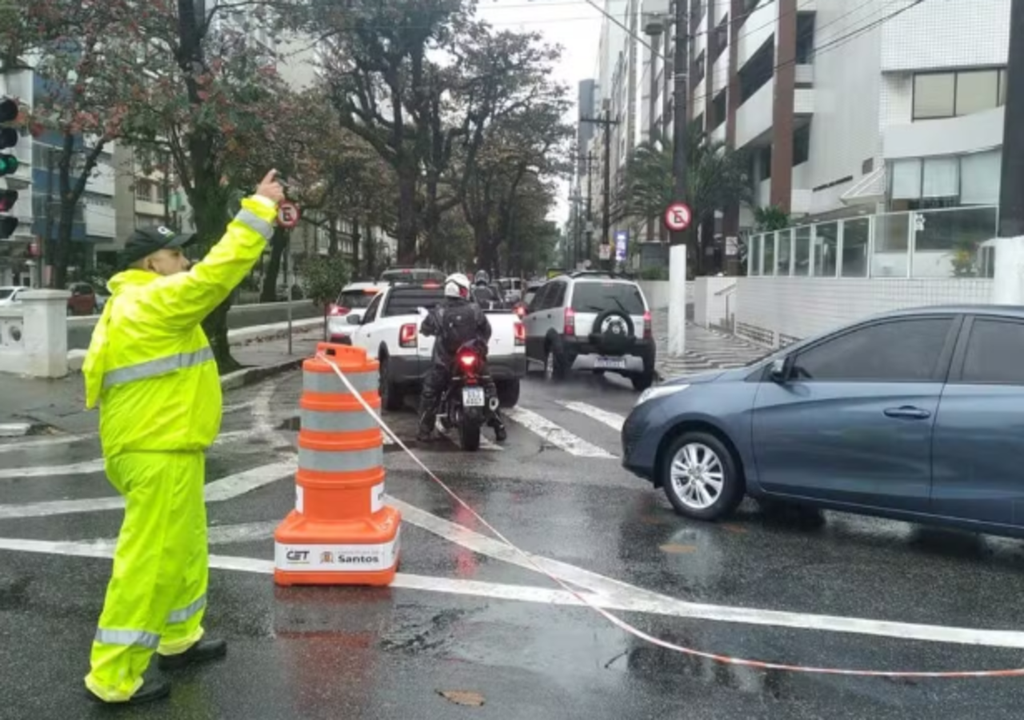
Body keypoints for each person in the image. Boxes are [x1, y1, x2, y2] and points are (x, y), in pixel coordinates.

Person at [81, 170, 285, 705]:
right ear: (152, 264)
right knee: (149, 560)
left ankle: (178, 637)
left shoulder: (137, 303)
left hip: (167, 444)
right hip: (157, 448)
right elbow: (217, 274)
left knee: (185, 547)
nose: (186, 261)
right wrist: (260, 209)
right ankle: (114, 675)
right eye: (176, 255)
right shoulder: (152, 302)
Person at [417, 272, 508, 443]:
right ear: (463, 290)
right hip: (474, 360)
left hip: (446, 363)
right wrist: (480, 346)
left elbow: (426, 328)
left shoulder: (439, 311)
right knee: (489, 386)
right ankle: (499, 426)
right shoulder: (474, 309)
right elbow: (486, 331)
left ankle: (424, 430)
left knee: (430, 392)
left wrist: (429, 328)